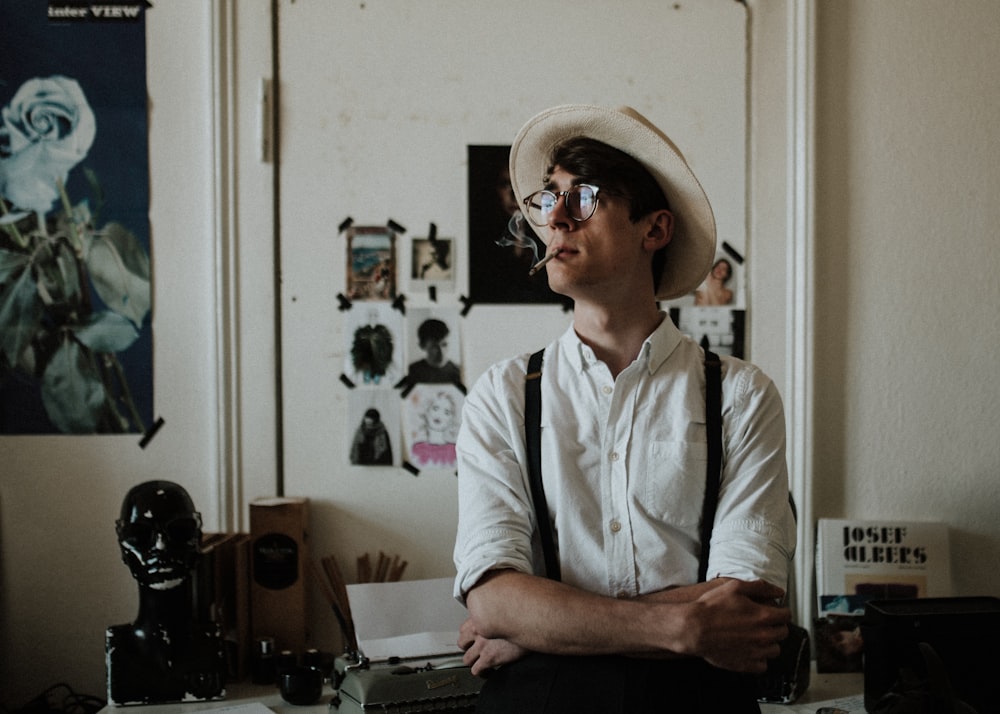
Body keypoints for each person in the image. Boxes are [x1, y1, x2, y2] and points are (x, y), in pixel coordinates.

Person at [453, 104, 796, 713]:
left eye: (582, 197)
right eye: (547, 197)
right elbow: (493, 602)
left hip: (694, 702)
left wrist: (538, 633)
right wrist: (682, 626)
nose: (554, 218)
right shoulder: (501, 395)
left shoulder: (741, 395)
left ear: (654, 230)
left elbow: (745, 607)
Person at [106, 480, 225, 705]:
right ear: (123, 546)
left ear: (197, 540)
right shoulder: (120, 648)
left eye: (179, 531)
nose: (160, 546)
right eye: (140, 534)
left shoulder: (210, 643)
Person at [406, 318, 461, 384]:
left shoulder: (458, 372)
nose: (441, 351)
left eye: (444, 344)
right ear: (422, 346)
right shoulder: (412, 372)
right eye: (434, 346)